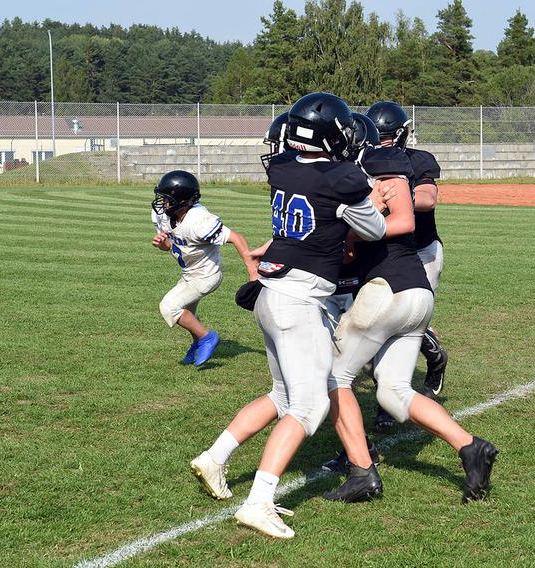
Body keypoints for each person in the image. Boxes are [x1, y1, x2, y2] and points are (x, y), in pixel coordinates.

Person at [190, 92, 387, 539]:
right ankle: (259, 501)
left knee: (281, 396)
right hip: (298, 298)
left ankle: (215, 457)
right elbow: (373, 228)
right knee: (310, 405)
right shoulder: (342, 177)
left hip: (271, 291)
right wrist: (367, 192)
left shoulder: (281, 166)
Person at [321, 122, 498, 504]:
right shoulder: (365, 174)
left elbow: (404, 219)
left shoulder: (377, 167)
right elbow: (353, 248)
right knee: (393, 392)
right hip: (417, 292)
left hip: (388, 291)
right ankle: (471, 447)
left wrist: (364, 218)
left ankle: (360, 467)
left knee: (333, 377)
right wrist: (355, 229)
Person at [366, 102, 448, 433]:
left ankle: (393, 396)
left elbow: (427, 198)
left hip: (422, 251)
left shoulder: (418, 159)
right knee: (380, 327)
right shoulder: (364, 161)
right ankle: (395, 389)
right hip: (382, 254)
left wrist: (390, 199)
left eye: (387, 138)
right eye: (378, 137)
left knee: (399, 328)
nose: (381, 143)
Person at [151, 170, 258, 367]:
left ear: (181, 200)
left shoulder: (199, 220)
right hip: (188, 275)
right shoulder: (167, 216)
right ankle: (197, 342)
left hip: (206, 276)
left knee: (169, 306)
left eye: (167, 199)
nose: (162, 203)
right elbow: (169, 246)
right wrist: (162, 243)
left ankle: (207, 337)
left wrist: (252, 270)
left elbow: (236, 238)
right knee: (187, 314)